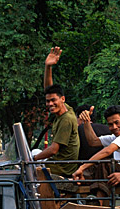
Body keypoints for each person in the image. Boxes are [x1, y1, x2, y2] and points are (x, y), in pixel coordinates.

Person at [32, 47, 80, 177]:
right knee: (34, 152)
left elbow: (53, 150)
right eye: (48, 101)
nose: (50, 104)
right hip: (57, 163)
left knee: (30, 166)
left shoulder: (66, 119)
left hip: (62, 168)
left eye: (53, 101)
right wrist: (48, 67)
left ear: (62, 99)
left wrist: (33, 160)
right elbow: (49, 89)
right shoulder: (64, 109)